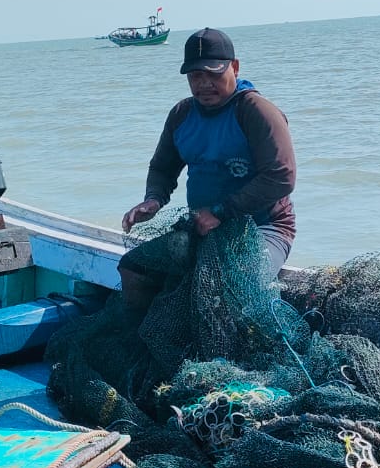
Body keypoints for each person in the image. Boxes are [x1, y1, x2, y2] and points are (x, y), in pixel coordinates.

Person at [120, 28, 296, 289]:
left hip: (264, 228)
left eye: (213, 73)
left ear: (234, 68)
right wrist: (153, 199)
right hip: (204, 229)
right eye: (195, 76)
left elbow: (282, 177)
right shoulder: (181, 114)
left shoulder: (256, 112)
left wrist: (222, 212)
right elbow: (162, 168)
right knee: (134, 268)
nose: (204, 84)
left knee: (233, 286)